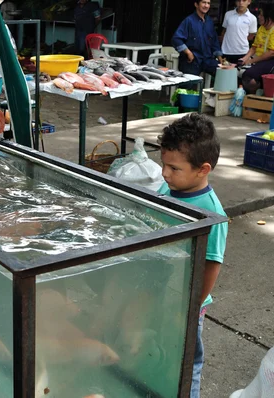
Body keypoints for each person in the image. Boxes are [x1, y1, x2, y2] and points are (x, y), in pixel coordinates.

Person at [158, 113, 228, 398]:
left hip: (187, 303)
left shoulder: (210, 214)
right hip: (164, 290)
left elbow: (211, 266)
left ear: (203, 169)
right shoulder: (170, 188)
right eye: (163, 164)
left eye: (174, 168)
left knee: (188, 362)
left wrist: (189, 308)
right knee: (164, 352)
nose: (164, 173)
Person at [172, 0, 224, 77]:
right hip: (192, 60)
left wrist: (219, 57)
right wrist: (188, 52)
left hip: (207, 59)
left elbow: (214, 41)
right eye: (203, 2)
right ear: (196, 4)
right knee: (188, 86)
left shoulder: (209, 21)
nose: (206, 6)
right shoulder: (189, 20)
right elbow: (176, 39)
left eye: (208, 3)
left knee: (223, 73)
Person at [239, 5, 274, 94]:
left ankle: (256, 93)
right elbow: (254, 47)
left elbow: (271, 53)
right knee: (239, 73)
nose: (259, 17)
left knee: (248, 75)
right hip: (260, 60)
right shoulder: (261, 28)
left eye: (261, 15)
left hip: (270, 61)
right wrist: (244, 58)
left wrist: (251, 61)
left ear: (269, 17)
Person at [221, 0, 258, 65]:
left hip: (243, 52)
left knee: (240, 74)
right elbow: (224, 30)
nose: (241, 3)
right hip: (226, 51)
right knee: (225, 73)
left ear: (249, 1)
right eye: (238, 0)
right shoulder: (228, 14)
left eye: (244, 0)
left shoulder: (252, 18)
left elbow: (251, 36)